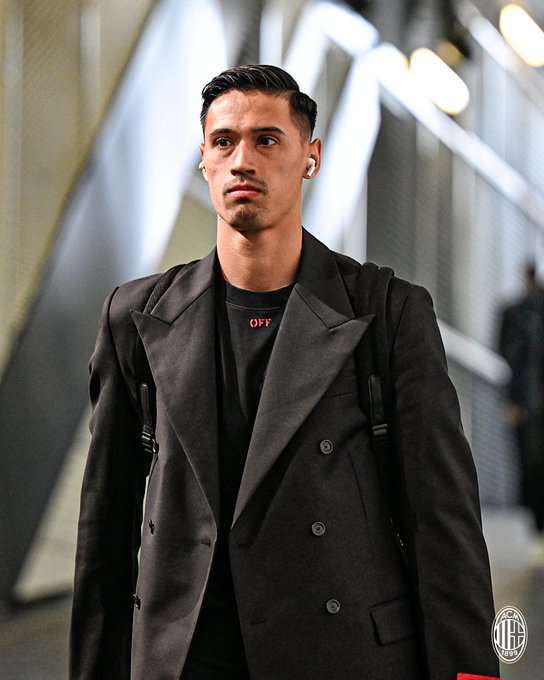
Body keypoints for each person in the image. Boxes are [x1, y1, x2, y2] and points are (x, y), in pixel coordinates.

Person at [70, 64, 500, 680]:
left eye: (267, 140)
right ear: (203, 159)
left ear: (311, 157)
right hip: (188, 660)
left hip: (338, 655)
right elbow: (105, 529)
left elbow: (442, 524)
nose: (242, 160)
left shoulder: (386, 313)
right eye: (224, 142)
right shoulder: (137, 318)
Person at [500, 263, 544, 540]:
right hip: (530, 405)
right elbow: (513, 361)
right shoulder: (517, 313)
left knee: (531, 465)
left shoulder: (518, 312)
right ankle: (538, 527)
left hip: (529, 404)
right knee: (530, 466)